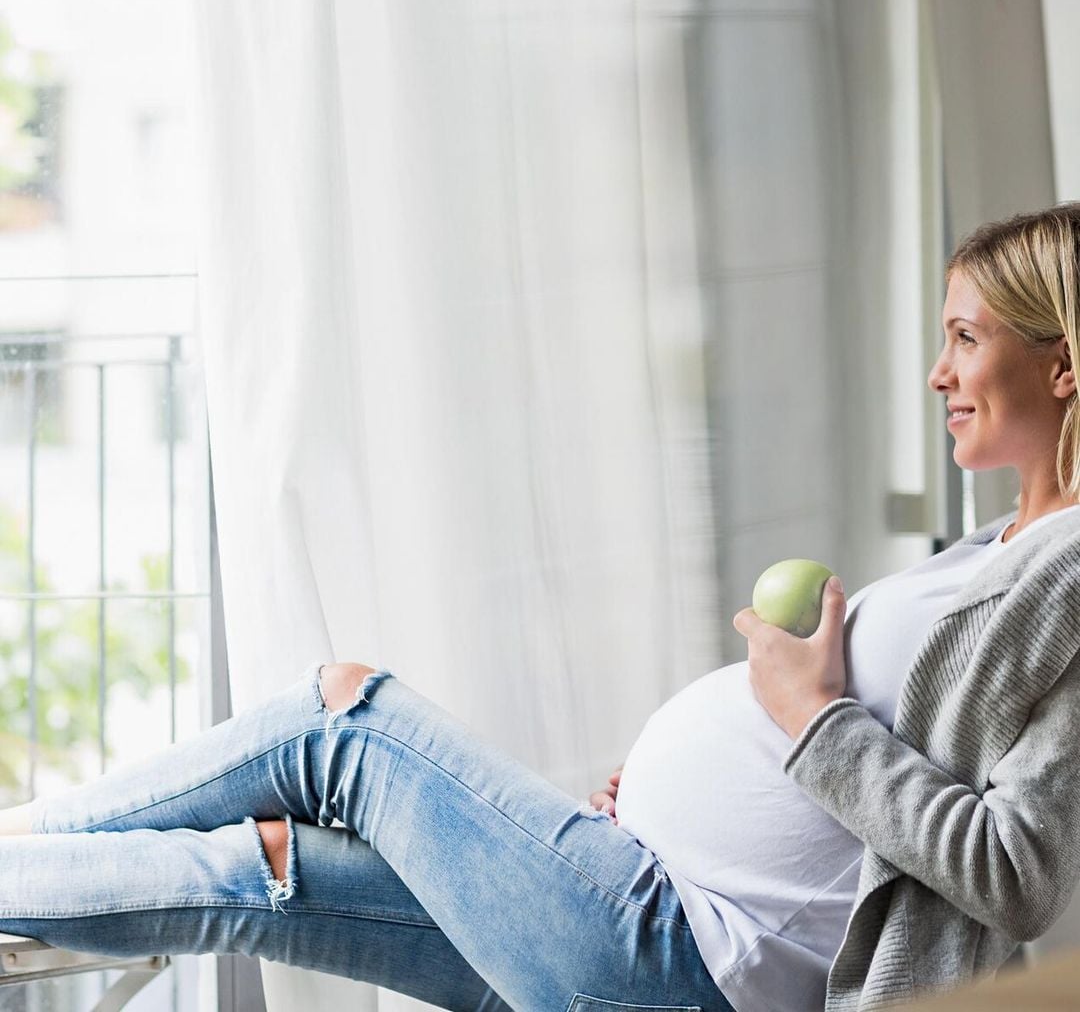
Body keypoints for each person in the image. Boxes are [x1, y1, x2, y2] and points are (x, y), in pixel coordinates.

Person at [2, 202, 1080, 1012]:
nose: (939, 373)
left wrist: (809, 722)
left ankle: (23, 842)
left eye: (967, 339)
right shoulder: (1003, 547)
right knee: (265, 866)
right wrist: (685, 790)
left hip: (684, 951)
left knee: (344, 719)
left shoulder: (1071, 575)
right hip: (656, 900)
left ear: (1065, 363)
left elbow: (1012, 874)